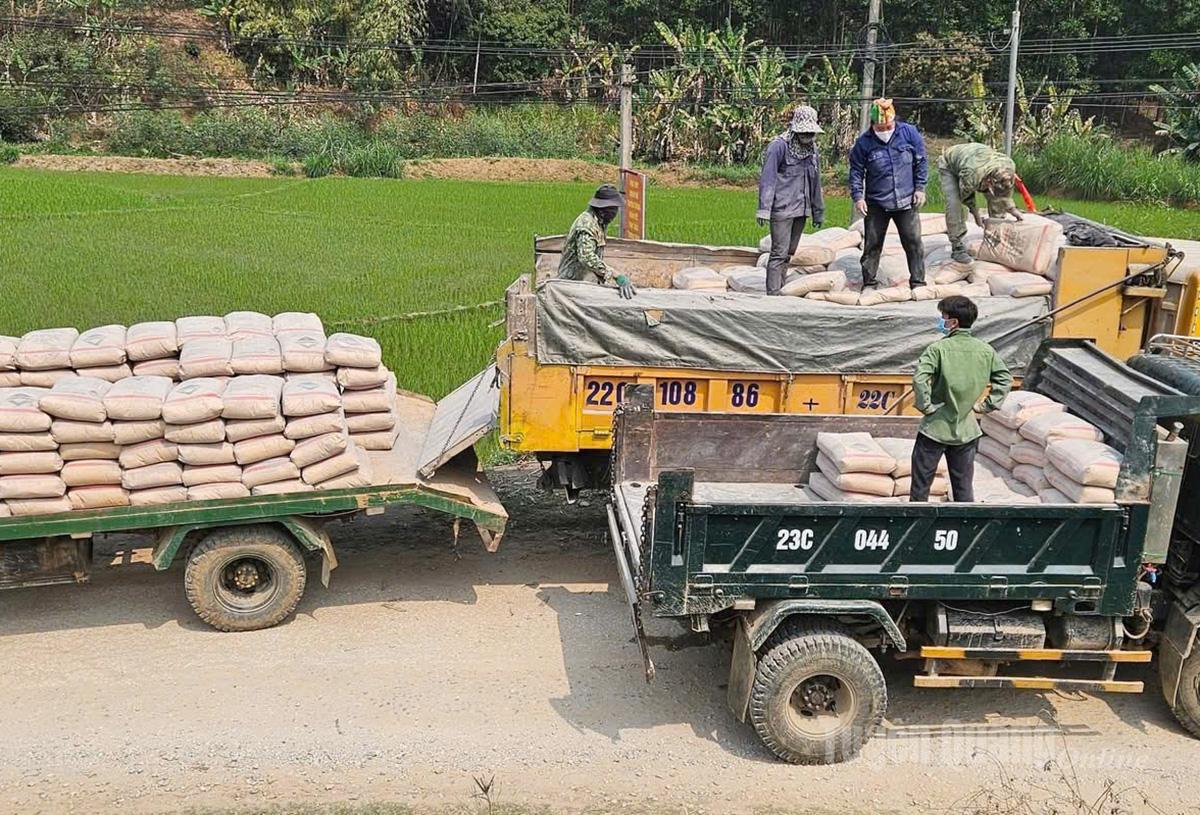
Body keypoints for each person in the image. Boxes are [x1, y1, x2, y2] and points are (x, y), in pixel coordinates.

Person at [910, 295, 1012, 503]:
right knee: (963, 488)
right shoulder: (986, 351)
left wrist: (926, 406)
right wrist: (985, 406)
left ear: (953, 322)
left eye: (943, 317)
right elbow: (1004, 379)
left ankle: (915, 529)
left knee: (921, 489)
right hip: (967, 429)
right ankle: (964, 529)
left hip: (935, 428)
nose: (941, 321)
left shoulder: (938, 349)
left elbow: (920, 379)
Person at [848, 98, 929, 288]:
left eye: (888, 127)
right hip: (877, 203)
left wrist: (920, 188)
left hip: (906, 201)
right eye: (880, 128)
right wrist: (858, 197)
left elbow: (921, 161)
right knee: (872, 245)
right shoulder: (863, 143)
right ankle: (869, 283)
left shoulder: (909, 134)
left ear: (894, 121)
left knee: (913, 243)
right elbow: (856, 172)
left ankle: (918, 282)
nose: (885, 131)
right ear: (873, 125)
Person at [757, 104, 826, 295]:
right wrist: (764, 209)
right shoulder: (778, 146)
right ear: (795, 130)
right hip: (781, 209)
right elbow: (768, 179)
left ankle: (781, 290)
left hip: (801, 210)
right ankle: (773, 295)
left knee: (788, 254)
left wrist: (818, 211)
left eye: (811, 133)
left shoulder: (812, 151)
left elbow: (816, 181)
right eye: (805, 132)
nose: (808, 136)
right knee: (778, 253)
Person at [939, 142, 1025, 264]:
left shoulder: (1009, 166)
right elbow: (966, 198)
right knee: (954, 205)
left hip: (978, 156)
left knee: (997, 202)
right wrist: (976, 216)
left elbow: (1005, 194)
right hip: (950, 163)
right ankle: (957, 247)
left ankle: (996, 236)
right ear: (988, 182)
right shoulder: (971, 174)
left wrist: (1012, 208)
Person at [557, 184, 636, 299]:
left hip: (585, 285)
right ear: (602, 208)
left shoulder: (600, 223)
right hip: (571, 286)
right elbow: (586, 257)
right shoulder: (587, 224)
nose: (614, 213)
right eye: (612, 209)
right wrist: (615, 275)